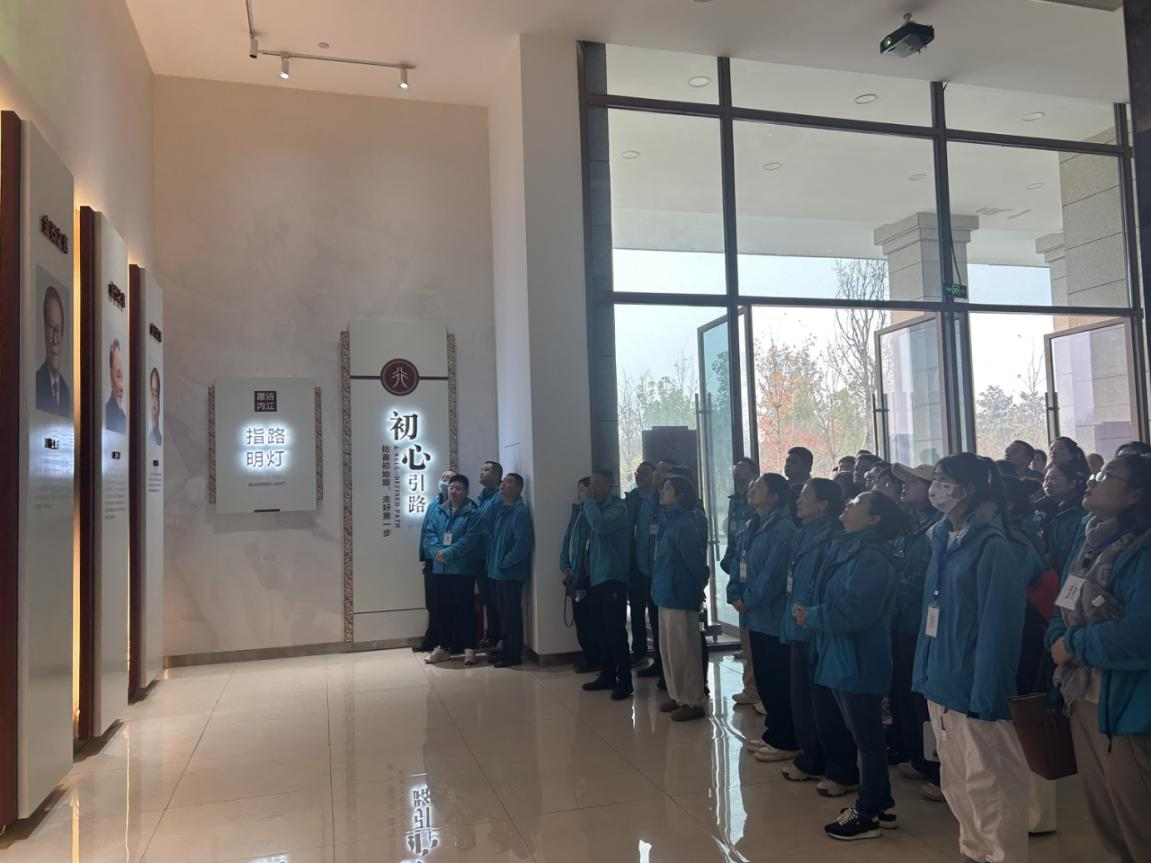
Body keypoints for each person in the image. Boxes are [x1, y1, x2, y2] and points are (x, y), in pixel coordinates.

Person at [913, 454, 1029, 863]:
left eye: (943, 480)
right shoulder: (941, 539)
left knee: (990, 786)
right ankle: (974, 851)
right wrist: (923, 672)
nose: (935, 488)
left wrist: (987, 694)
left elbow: (999, 627)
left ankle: (1001, 856)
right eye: (935, 479)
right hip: (941, 680)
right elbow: (932, 614)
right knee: (957, 780)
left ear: (967, 490)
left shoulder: (993, 547)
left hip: (974, 688)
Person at [1048, 453, 1151, 863]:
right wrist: (1058, 639)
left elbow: (1141, 634)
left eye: (1108, 476)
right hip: (1082, 697)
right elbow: (1062, 607)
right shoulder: (1089, 542)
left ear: (1135, 495)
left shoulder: (1143, 551)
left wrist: (1073, 645)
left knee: (1140, 823)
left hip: (1126, 706)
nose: (1093, 481)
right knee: (1108, 822)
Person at [794, 491, 904, 841]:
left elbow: (856, 610)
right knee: (863, 735)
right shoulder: (846, 548)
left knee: (867, 738)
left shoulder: (873, 558)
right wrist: (808, 610)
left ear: (874, 519)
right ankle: (882, 803)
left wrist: (812, 616)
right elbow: (826, 592)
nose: (847, 507)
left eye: (856, 504)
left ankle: (867, 813)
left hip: (859, 658)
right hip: (839, 654)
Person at [779, 478, 852, 788]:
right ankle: (811, 758)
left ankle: (840, 769)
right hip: (798, 621)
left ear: (823, 504)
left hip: (817, 624)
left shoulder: (834, 537)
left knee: (825, 703)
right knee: (803, 699)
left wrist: (810, 615)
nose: (798, 500)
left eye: (806, 495)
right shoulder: (803, 533)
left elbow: (826, 586)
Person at [731, 474, 799, 761]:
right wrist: (734, 592)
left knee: (777, 679)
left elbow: (773, 576)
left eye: (758, 487)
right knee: (764, 678)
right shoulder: (753, 524)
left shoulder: (784, 529)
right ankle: (773, 732)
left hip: (771, 616)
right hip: (753, 615)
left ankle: (786, 740)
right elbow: (739, 561)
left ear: (774, 497)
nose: (751, 489)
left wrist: (747, 600)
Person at [889, 464, 942, 802]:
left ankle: (936, 767)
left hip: (918, 624)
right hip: (900, 621)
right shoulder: (912, 526)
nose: (905, 486)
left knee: (922, 699)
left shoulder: (937, 529)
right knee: (903, 693)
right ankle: (916, 755)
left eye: (913, 482)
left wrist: (894, 598)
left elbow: (922, 576)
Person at [651, 475, 710, 721]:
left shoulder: (685, 524)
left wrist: (696, 587)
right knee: (669, 650)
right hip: (665, 594)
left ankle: (693, 701)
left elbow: (696, 563)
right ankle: (677, 695)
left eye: (667, 488)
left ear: (680, 495)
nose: (662, 492)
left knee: (685, 651)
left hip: (680, 595)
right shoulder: (668, 522)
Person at [581, 470, 633, 700]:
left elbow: (601, 526)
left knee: (615, 632)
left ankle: (625, 681)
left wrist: (588, 502)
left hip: (613, 577)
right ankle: (607, 674)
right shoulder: (593, 508)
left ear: (610, 484)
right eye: (590, 484)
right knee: (599, 630)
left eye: (596, 484)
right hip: (595, 577)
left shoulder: (618, 509)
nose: (592, 488)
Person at [423, 475, 484, 666]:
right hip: (440, 569)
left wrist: (447, 553)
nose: (453, 492)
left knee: (464, 609)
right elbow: (429, 534)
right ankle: (443, 647)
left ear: (466, 491)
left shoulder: (473, 512)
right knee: (441, 608)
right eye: (451, 488)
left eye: (458, 488)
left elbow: (470, 539)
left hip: (462, 570)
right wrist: (437, 552)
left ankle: (468, 648)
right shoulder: (439, 510)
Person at [722, 458, 760, 709]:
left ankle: (758, 690)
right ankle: (750, 687)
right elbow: (733, 536)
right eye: (735, 467)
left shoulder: (764, 518)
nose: (737, 470)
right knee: (747, 642)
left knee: (758, 645)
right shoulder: (734, 500)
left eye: (743, 467)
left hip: (754, 583)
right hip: (739, 567)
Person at [487, 473, 534, 668]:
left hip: (511, 573)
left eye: (508, 482)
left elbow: (523, 545)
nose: (503, 485)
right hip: (499, 572)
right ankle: (505, 649)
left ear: (518, 488)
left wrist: (505, 562)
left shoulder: (520, 512)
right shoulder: (503, 510)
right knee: (503, 614)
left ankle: (513, 654)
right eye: (503, 482)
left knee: (511, 615)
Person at [637, 460, 677, 682]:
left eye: (664, 470)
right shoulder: (649, 501)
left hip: (669, 576)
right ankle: (661, 665)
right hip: (649, 572)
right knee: (656, 621)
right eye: (658, 470)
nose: (658, 474)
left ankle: (679, 676)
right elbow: (643, 536)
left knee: (675, 630)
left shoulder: (679, 506)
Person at [415, 468, 456, 653]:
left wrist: (442, 552)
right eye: (443, 477)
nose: (444, 481)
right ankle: (432, 638)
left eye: (449, 479)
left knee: (444, 603)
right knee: (431, 602)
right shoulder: (433, 503)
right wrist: (429, 552)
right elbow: (428, 531)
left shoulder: (457, 506)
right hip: (431, 558)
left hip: (446, 560)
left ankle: (445, 641)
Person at [561, 477, 597, 672]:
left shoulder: (594, 514)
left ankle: (594, 657)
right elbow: (568, 541)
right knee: (580, 620)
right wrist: (564, 565)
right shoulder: (577, 513)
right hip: (574, 575)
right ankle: (587, 655)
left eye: (583, 490)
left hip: (588, 576)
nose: (579, 494)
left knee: (590, 621)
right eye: (579, 490)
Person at [624, 461, 657, 663]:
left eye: (645, 472)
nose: (640, 476)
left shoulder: (658, 500)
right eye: (638, 472)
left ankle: (660, 657)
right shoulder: (631, 499)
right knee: (636, 609)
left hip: (653, 565)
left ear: (654, 475)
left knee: (654, 611)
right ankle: (639, 652)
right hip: (633, 562)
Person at [1034, 462, 1088, 578]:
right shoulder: (1038, 509)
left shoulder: (1081, 513)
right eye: (1046, 479)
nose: (1048, 483)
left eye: (1054, 479)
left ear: (1072, 483)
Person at [475, 460, 505, 649]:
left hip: (492, 556)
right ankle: (492, 635)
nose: (482, 472)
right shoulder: (481, 498)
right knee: (486, 598)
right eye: (481, 469)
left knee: (496, 599)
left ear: (497, 475)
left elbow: (498, 529)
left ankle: (500, 637)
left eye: (486, 470)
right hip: (480, 555)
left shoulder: (499, 498)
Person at [35, 285, 71, 418]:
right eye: (51, 328)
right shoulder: (36, 383)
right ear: (44, 329)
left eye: (58, 330)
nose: (55, 339)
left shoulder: (66, 392)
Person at [105, 338, 127, 434]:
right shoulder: (105, 414)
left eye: (122, 377)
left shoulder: (124, 419)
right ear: (111, 375)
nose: (121, 387)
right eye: (118, 376)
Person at [148, 368, 162, 445]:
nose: (154, 406)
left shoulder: (161, 439)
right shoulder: (148, 439)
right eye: (152, 394)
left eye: (156, 395)